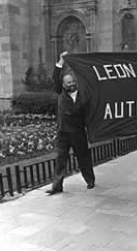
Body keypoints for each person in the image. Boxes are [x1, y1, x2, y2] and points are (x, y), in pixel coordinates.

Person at [46, 51, 96, 195]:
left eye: (73, 82)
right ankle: (57, 186)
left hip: (78, 133)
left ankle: (90, 180)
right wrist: (61, 61)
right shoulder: (60, 93)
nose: (72, 84)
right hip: (63, 133)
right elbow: (55, 77)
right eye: (68, 82)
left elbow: (89, 113)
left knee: (84, 158)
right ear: (63, 84)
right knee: (60, 160)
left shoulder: (83, 95)